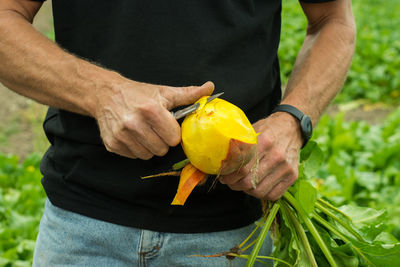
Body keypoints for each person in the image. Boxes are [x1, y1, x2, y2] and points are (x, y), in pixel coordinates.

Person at [0, 0, 355, 266]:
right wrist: (101, 93)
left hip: (231, 241)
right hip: (83, 231)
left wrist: (292, 121)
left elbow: (332, 19)